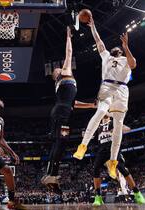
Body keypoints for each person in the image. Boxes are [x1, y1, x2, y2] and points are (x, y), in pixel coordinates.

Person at [73, 14, 137, 179]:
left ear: (121, 52)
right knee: (101, 112)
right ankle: (83, 145)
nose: (117, 49)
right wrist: (92, 26)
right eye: (118, 48)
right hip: (107, 86)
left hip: (122, 89)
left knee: (117, 126)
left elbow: (134, 64)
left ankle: (113, 162)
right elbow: (98, 40)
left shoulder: (125, 58)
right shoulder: (106, 56)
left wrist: (126, 46)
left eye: (120, 49)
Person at [41, 27, 96, 191]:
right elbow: (69, 53)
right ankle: (51, 174)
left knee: (59, 142)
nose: (59, 67)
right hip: (62, 113)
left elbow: (74, 103)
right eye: (57, 69)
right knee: (61, 141)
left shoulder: (62, 85)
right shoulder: (65, 73)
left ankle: (50, 175)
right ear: (57, 74)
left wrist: (91, 105)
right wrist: (68, 37)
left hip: (61, 111)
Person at [91, 115, 145, 206]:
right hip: (102, 150)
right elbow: (92, 138)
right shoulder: (98, 126)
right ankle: (98, 197)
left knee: (122, 169)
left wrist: (118, 129)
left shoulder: (113, 122)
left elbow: (127, 129)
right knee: (95, 169)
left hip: (113, 148)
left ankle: (137, 193)